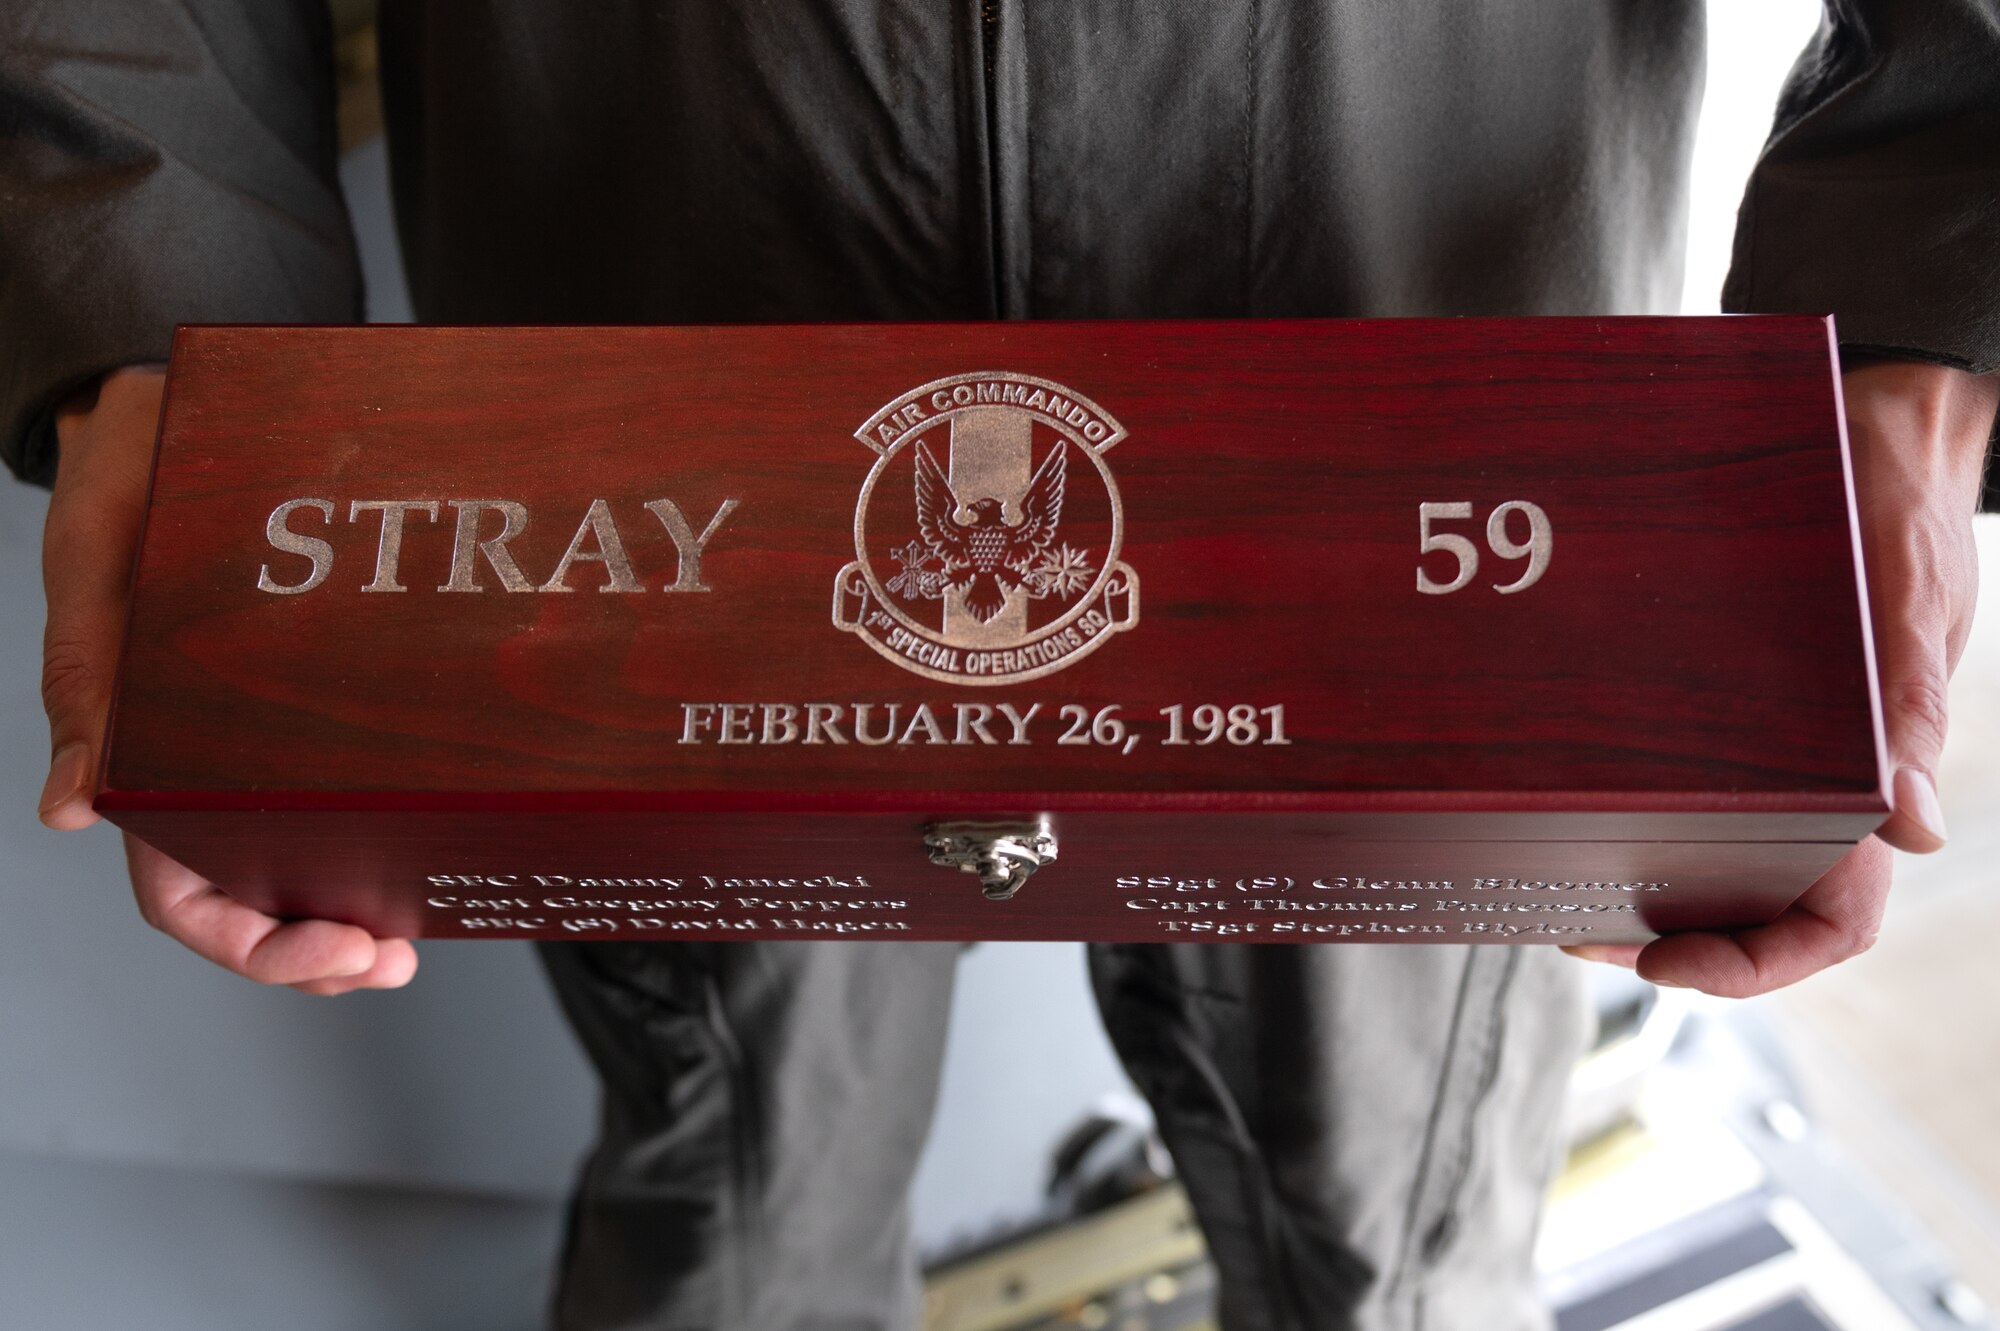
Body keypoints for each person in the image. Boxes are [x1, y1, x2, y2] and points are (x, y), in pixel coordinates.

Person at [5, 3, 1996, 1329]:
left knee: (1394, 1207)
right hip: (648, 392)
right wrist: (154, 294)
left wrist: (1930, 284)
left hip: (1426, 401)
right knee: (735, 1194)